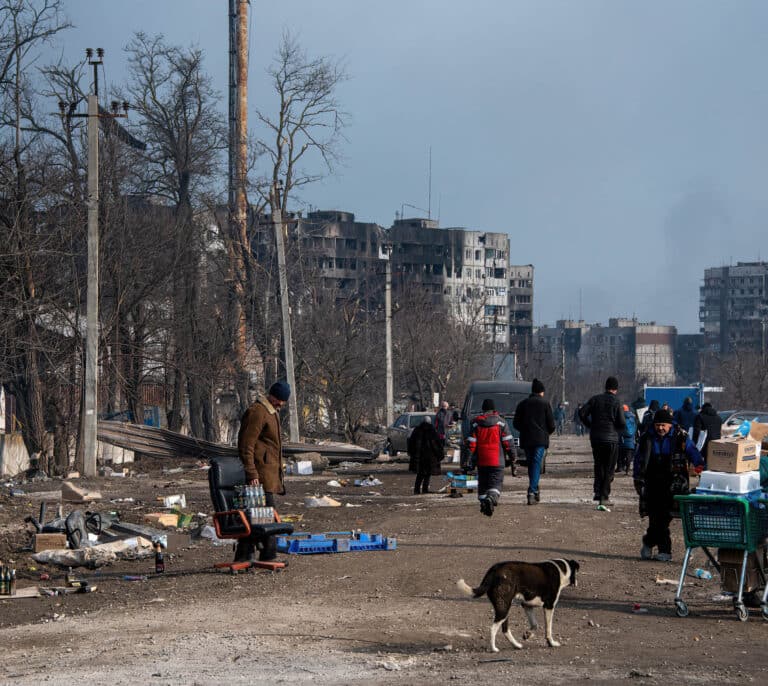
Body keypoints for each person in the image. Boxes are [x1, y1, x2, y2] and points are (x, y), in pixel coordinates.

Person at [633, 409, 703, 562]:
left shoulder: (680, 436)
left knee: (664, 517)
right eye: (658, 425)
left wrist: (700, 464)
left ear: (670, 425)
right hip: (652, 482)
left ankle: (652, 544)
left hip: (674, 482)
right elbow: (639, 459)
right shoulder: (646, 437)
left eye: (663, 425)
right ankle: (662, 549)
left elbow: (692, 451)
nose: (660, 428)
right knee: (655, 516)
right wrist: (637, 478)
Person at [235, 380, 291, 562]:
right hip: (258, 476)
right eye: (279, 399)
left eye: (283, 400)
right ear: (272, 396)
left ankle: (245, 555)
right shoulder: (258, 412)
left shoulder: (270, 412)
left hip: (266, 475)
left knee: (257, 515)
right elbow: (246, 445)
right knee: (266, 514)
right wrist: (251, 473)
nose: (281, 403)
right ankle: (268, 554)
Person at [579, 376, 626, 509]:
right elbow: (622, 422)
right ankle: (604, 496)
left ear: (605, 387)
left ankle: (598, 492)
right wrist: (617, 429)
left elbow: (582, 413)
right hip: (611, 439)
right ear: (616, 389)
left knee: (599, 465)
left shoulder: (595, 399)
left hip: (596, 438)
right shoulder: (617, 402)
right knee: (609, 468)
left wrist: (590, 425)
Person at [467, 398, 515, 517]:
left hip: (482, 461)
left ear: (483, 409)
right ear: (494, 409)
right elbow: (508, 442)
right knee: (496, 483)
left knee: (483, 484)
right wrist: (513, 456)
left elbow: (471, 444)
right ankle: (491, 499)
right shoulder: (501, 423)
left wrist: (467, 460)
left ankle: (484, 503)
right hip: (497, 461)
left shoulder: (475, 423)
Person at [513, 378, 556, 505]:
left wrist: (525, 430)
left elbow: (516, 423)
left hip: (526, 439)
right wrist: (545, 433)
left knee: (532, 464)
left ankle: (535, 489)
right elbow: (552, 425)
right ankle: (532, 491)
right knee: (536, 464)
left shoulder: (522, 404)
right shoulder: (545, 404)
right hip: (540, 440)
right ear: (541, 392)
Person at [408, 419, 444, 494]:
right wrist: (440, 454)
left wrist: (412, 453)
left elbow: (411, 442)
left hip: (419, 456)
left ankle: (417, 490)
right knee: (427, 474)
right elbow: (436, 444)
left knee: (420, 474)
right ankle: (425, 489)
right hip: (430, 456)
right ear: (430, 422)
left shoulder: (417, 430)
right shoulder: (432, 431)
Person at [692, 402, 722, 466]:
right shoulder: (719, 418)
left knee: (703, 462)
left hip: (704, 443)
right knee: (712, 462)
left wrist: (693, 443)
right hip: (716, 443)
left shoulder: (700, 417)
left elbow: (696, 431)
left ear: (703, 408)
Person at [616, 404, 637, 475]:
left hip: (622, 438)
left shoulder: (619, 416)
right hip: (631, 438)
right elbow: (635, 427)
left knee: (620, 454)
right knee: (629, 454)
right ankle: (627, 470)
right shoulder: (633, 417)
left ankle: (620, 467)